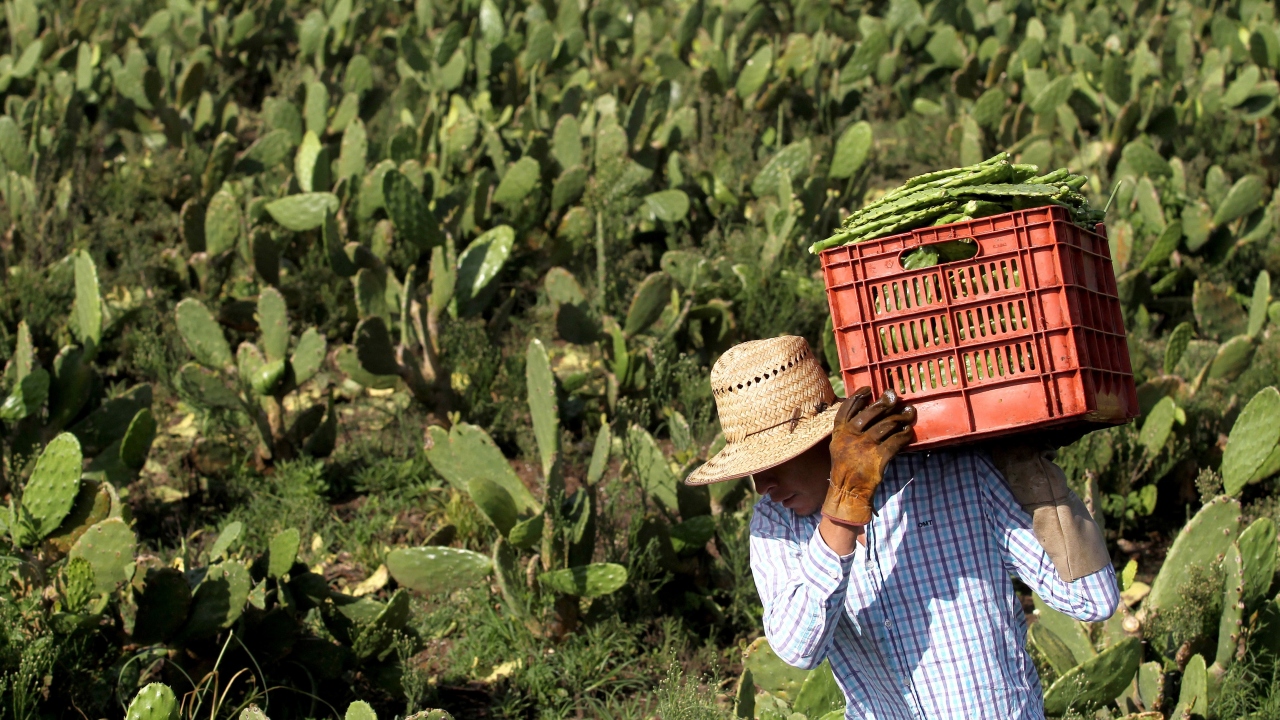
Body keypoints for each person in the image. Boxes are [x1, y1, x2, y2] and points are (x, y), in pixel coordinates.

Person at [683, 336, 1119, 719]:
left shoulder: (955, 473)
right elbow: (799, 648)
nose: (762, 485)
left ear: (826, 439)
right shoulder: (776, 523)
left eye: (773, 462)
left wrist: (1030, 469)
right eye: (754, 469)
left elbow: (1091, 598)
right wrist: (842, 511)